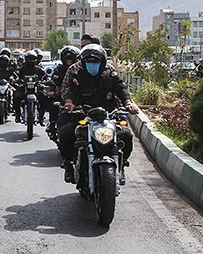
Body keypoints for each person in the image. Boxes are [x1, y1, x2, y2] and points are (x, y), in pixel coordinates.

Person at [59, 44, 139, 183]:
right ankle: (68, 166)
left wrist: (128, 103)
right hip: (83, 115)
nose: (93, 64)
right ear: (83, 62)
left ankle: (121, 165)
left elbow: (121, 89)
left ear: (102, 62)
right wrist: (69, 102)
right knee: (66, 133)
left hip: (109, 115)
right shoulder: (77, 75)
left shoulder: (110, 74)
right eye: (89, 62)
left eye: (96, 62)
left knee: (126, 134)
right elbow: (69, 91)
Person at [12, 50, 48, 124]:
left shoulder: (39, 69)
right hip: (24, 88)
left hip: (36, 88)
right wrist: (17, 81)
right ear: (26, 59)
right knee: (16, 96)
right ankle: (17, 115)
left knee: (45, 97)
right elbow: (16, 76)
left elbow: (45, 77)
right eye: (29, 59)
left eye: (33, 59)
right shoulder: (22, 69)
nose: (31, 61)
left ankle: (41, 117)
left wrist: (43, 82)